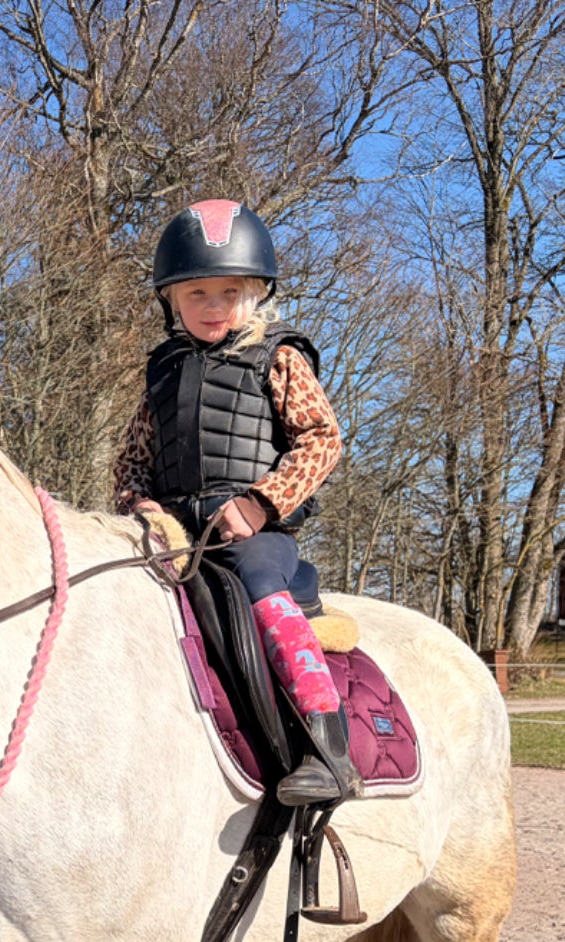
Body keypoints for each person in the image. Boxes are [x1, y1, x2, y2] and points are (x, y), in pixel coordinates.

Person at [113, 198, 358, 805]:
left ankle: (327, 747)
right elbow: (132, 461)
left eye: (230, 291)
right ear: (172, 300)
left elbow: (322, 440)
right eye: (197, 293)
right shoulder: (162, 375)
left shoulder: (279, 358)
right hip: (175, 534)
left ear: (255, 293)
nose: (214, 306)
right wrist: (136, 504)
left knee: (258, 588)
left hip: (254, 534)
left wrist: (260, 503)